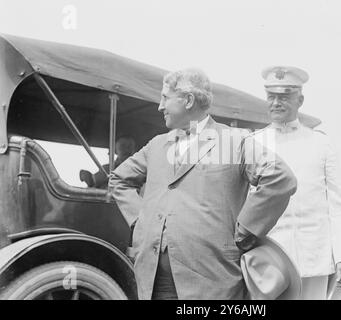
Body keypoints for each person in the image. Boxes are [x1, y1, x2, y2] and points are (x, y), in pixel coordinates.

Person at [109, 68, 297, 300]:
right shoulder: (156, 145)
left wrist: (246, 230)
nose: (160, 106)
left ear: (188, 100)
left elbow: (280, 178)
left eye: (165, 98)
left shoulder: (234, 140)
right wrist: (142, 222)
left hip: (213, 280)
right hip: (153, 279)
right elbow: (119, 180)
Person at [253, 65, 341, 299]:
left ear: (300, 99)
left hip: (313, 256)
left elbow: (339, 206)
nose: (276, 103)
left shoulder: (321, 144)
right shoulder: (252, 144)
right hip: (270, 257)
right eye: (271, 96)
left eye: (284, 96)